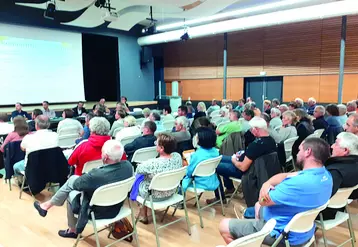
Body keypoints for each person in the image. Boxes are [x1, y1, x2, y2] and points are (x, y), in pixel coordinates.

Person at [219, 138, 332, 246]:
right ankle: (249, 216)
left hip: (282, 234)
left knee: (224, 226)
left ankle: (249, 219)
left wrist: (263, 192)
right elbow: (286, 175)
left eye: (299, 150)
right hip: (304, 231)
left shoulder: (296, 184)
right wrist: (266, 184)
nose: (297, 153)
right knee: (257, 206)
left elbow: (263, 201)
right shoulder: (325, 176)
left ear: (308, 152)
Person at [33, 140, 133, 239]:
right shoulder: (128, 167)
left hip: (96, 211)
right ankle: (46, 206)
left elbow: (77, 184)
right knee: (73, 181)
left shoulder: (96, 175)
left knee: (71, 189)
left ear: (105, 157)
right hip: (117, 206)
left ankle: (72, 230)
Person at [206, 117, 277, 204]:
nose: (250, 131)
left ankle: (220, 197)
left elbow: (243, 167)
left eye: (251, 129)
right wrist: (243, 154)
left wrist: (234, 160)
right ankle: (229, 188)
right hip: (260, 170)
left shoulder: (256, 146)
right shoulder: (271, 141)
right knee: (219, 158)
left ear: (256, 129)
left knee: (214, 165)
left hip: (246, 171)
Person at [136, 133, 182, 224]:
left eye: (156, 143)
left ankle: (143, 215)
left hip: (154, 196)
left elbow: (138, 169)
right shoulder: (177, 157)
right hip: (172, 192)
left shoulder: (152, 163)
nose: (155, 145)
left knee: (139, 180)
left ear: (161, 148)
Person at [322, 132, 358, 219]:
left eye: (336, 143)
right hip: (341, 205)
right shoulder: (354, 164)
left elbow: (321, 196)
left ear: (345, 150)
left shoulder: (336, 171)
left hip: (323, 212)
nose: (332, 146)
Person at [182, 127, 220, 192]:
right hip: (213, 180)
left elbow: (189, 173)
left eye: (196, 137)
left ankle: (182, 199)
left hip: (199, 183)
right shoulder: (216, 151)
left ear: (201, 140)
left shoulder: (196, 155)